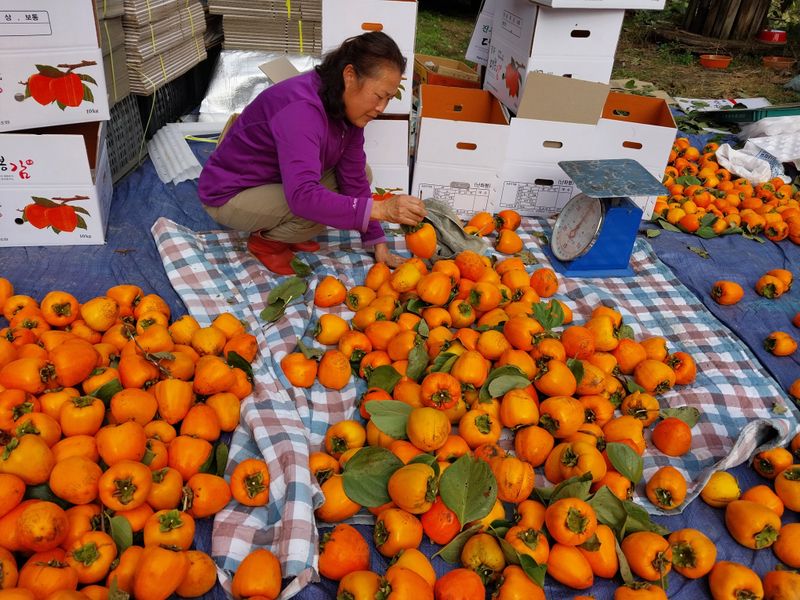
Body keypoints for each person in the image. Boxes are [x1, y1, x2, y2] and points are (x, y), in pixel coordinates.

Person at [197, 31, 427, 275]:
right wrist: (381, 210)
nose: (381, 108)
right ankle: (267, 244)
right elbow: (303, 197)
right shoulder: (301, 110)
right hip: (231, 192)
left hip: (274, 179)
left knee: (359, 177)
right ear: (349, 75)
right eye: (379, 96)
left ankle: (288, 232)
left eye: (389, 99)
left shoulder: (345, 107)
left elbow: (353, 177)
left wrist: (377, 242)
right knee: (317, 205)